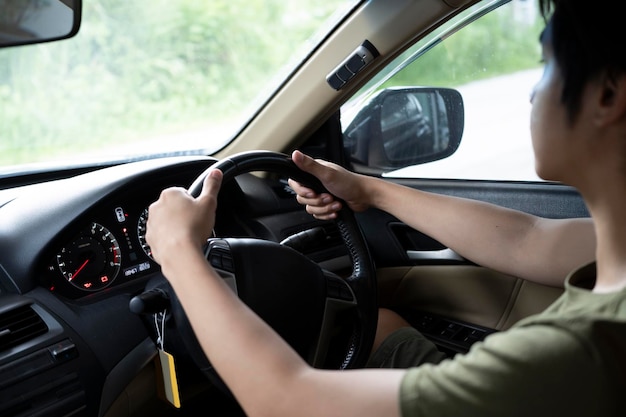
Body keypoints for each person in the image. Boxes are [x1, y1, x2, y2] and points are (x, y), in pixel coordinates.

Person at [145, 0, 626, 415]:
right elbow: (527, 240)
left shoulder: (580, 355)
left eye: (546, 66)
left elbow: (287, 403)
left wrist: (180, 253)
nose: (531, 91)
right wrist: (371, 191)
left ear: (607, 93)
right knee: (380, 327)